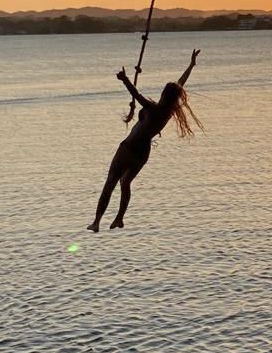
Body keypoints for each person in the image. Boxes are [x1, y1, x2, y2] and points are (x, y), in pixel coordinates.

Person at [87, 49, 203, 231]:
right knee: (125, 183)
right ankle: (119, 218)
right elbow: (180, 83)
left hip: (128, 147)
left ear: (164, 94)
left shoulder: (153, 107)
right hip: (142, 153)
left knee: (110, 182)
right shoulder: (168, 112)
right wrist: (191, 65)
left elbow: (136, 94)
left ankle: (96, 222)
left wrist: (124, 79)